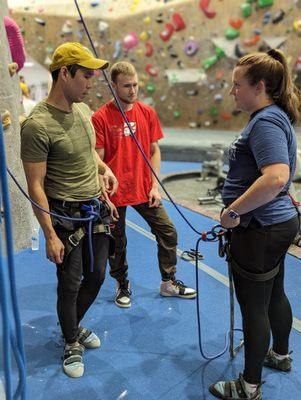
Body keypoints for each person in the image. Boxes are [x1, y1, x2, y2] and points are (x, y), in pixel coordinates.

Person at [20, 42, 118, 378]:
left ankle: (71, 326)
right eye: (86, 76)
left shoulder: (82, 111)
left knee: (98, 275)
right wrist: (49, 235)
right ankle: (70, 340)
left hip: (95, 208)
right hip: (65, 216)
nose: (91, 83)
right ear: (65, 74)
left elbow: (89, 154)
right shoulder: (37, 125)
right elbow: (35, 185)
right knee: (71, 283)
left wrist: (104, 170)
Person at [209, 49, 300, 400]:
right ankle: (280, 355)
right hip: (274, 225)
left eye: (237, 85)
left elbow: (276, 177)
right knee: (274, 293)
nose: (233, 91)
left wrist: (233, 212)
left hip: (261, 229)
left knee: (254, 306)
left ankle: (249, 386)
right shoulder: (272, 117)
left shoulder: (264, 122)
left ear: (259, 86)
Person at [92, 61, 196, 308]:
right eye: (126, 86)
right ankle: (121, 284)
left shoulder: (147, 113)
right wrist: (104, 194)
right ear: (114, 86)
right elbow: (97, 157)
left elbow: (154, 150)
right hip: (115, 193)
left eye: (135, 84)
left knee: (168, 231)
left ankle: (168, 282)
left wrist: (154, 186)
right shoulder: (101, 117)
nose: (132, 90)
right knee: (117, 243)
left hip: (142, 189)